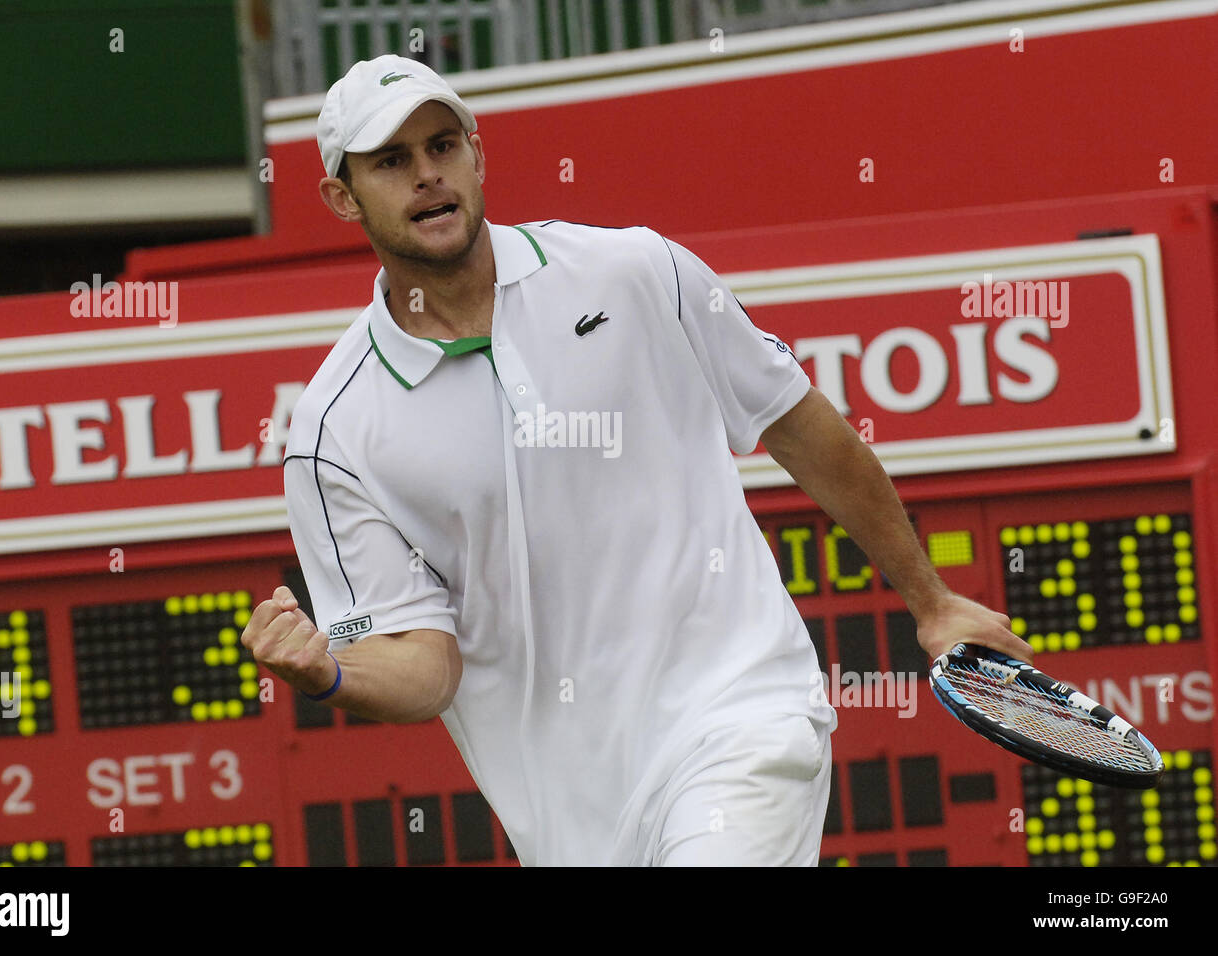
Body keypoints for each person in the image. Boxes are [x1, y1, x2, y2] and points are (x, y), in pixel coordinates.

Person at [241, 54, 1032, 866]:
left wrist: (931, 601)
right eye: (391, 161)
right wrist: (328, 672)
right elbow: (428, 669)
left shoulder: (637, 271)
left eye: (443, 146)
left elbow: (802, 428)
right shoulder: (333, 431)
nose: (427, 175)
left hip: (742, 715)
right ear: (343, 197)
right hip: (572, 823)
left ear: (478, 153)